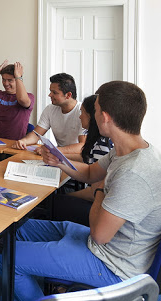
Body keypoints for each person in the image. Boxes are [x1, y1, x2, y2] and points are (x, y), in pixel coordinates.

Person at [0, 81, 161, 300]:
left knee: (7, 259)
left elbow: (100, 235)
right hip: (103, 248)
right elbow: (91, 173)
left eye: (97, 108)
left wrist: (101, 190)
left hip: (112, 265)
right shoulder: (127, 150)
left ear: (105, 117)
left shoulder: (133, 172)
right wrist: (59, 161)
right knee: (14, 229)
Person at [52, 94, 113, 226]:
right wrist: (58, 156)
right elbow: (86, 158)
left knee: (52, 202)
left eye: (82, 112)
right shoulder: (98, 141)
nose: (80, 116)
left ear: (93, 116)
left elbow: (93, 194)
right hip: (98, 201)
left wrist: (67, 197)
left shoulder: (102, 145)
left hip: (98, 208)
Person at [12, 73, 85, 155]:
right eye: (50, 91)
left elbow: (82, 146)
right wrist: (23, 141)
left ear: (68, 95)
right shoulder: (50, 109)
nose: (49, 95)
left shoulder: (83, 112)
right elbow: (36, 135)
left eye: (54, 92)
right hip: (59, 156)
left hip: (77, 158)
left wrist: (53, 150)